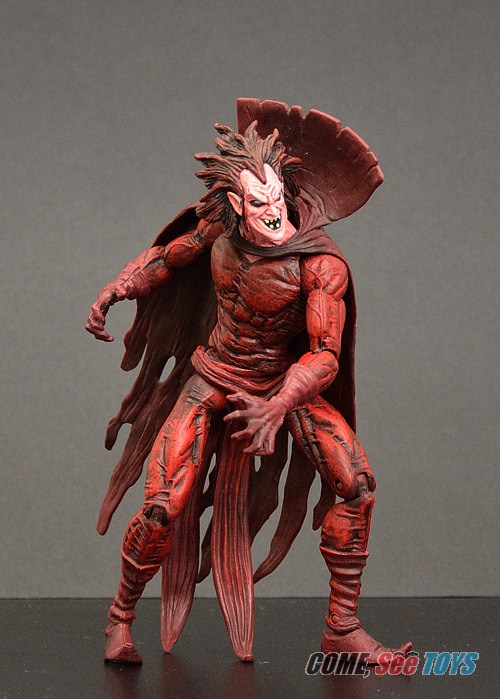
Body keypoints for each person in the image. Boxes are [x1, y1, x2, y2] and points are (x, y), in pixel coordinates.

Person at [86, 99, 411, 664]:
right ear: (236, 202)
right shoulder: (219, 229)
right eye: (259, 203)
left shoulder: (320, 265)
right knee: (162, 506)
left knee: (356, 485)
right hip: (212, 376)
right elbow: (167, 259)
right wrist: (120, 287)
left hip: (280, 383)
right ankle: (119, 618)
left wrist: (278, 405)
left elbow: (324, 357)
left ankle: (341, 627)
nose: (273, 212)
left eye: (277, 198)